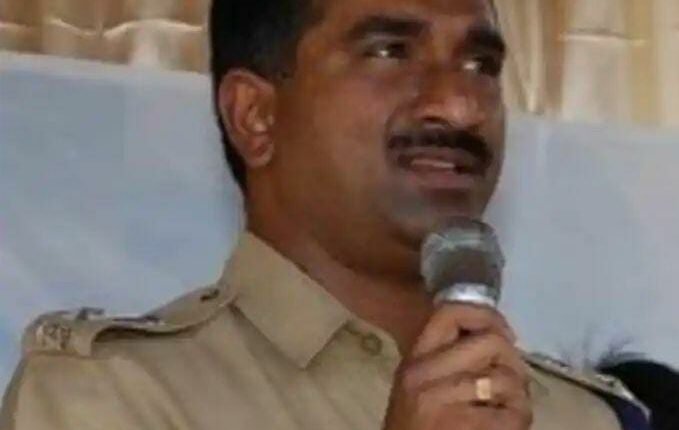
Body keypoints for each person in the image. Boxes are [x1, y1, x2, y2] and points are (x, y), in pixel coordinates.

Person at [0, 0, 651, 429]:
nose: (459, 106)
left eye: (481, 64)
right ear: (255, 116)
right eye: (390, 51)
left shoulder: (584, 419)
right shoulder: (111, 397)